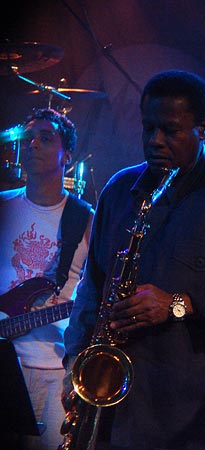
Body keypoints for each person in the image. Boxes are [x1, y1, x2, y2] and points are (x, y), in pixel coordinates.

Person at [61, 69, 205, 450]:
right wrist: (75, 364)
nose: (155, 141)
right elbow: (92, 286)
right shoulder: (120, 190)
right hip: (116, 411)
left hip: (192, 415)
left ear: (203, 128)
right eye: (148, 128)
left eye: (170, 130)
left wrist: (177, 304)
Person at [0, 107, 94, 450]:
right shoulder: (2, 206)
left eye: (45, 138)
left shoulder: (85, 219)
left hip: (55, 368)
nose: (33, 144)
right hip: (5, 362)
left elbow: (99, 289)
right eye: (28, 139)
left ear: (66, 155)